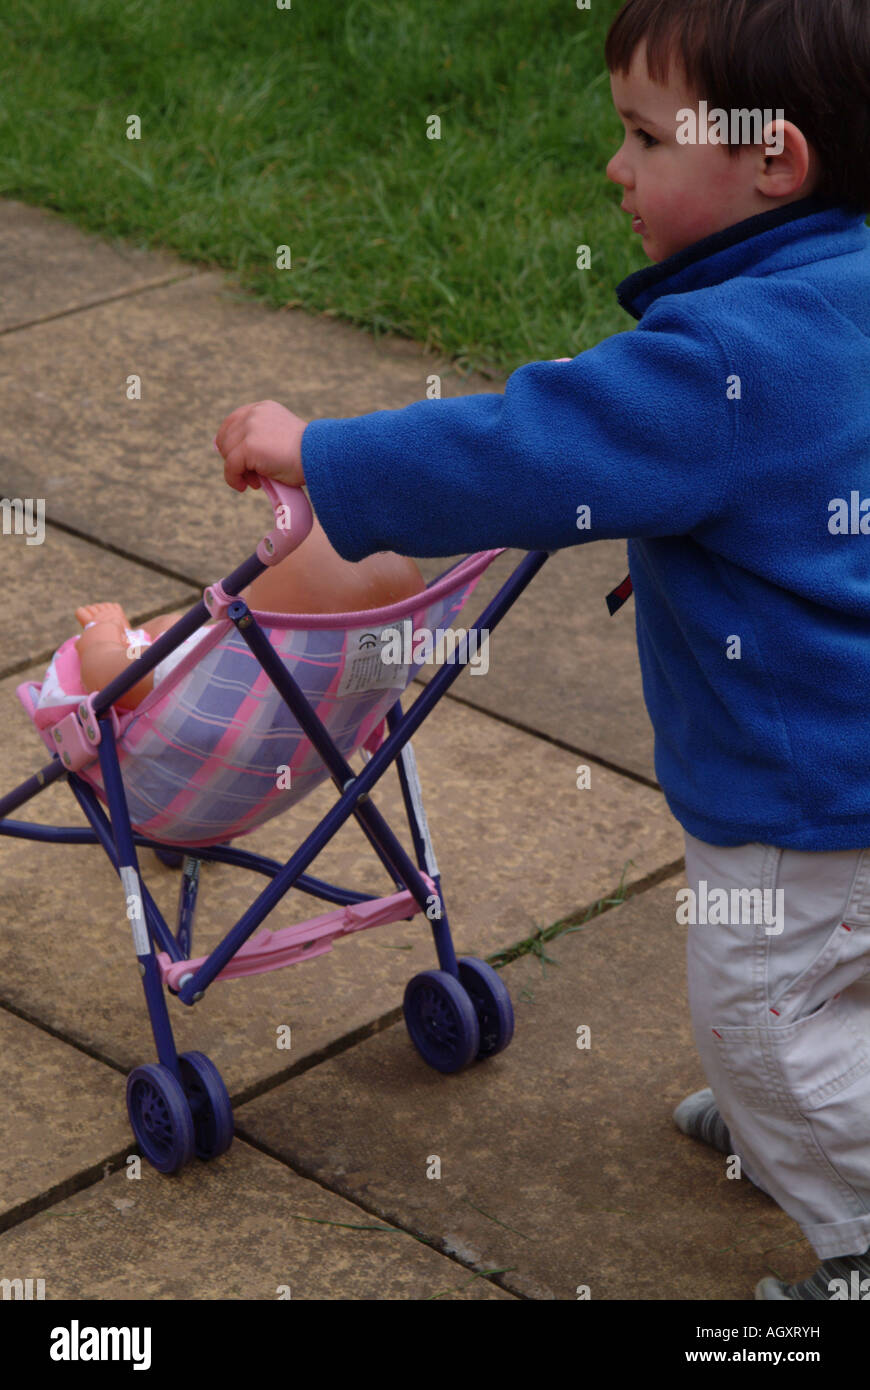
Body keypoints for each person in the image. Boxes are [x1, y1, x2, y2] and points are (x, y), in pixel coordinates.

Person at [213, 0, 870, 1301]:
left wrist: (321, 450)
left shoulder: (722, 355)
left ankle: (831, 1185)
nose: (613, 168)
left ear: (770, 161)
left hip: (801, 797)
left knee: (765, 1024)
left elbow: (528, 444)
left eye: (640, 137)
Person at [74, 510, 425, 710]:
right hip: (263, 778)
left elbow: (107, 679)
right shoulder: (342, 700)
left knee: (152, 644)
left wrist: (103, 633)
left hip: (157, 785)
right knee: (178, 626)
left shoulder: (199, 670)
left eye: (255, 585)